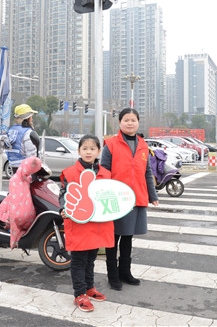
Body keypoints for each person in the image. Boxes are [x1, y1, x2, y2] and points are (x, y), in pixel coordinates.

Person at [100, 108, 159, 290]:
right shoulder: (110, 144)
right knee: (113, 237)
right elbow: (104, 171)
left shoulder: (142, 144)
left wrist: (153, 195)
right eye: (126, 120)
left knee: (128, 237)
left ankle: (125, 272)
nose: (130, 123)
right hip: (116, 198)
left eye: (133, 120)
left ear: (138, 122)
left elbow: (147, 172)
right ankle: (113, 275)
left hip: (136, 198)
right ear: (119, 122)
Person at [59, 135, 113, 312]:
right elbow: (63, 195)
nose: (88, 151)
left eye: (92, 148)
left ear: (99, 151)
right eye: (85, 148)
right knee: (78, 260)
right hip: (78, 224)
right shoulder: (70, 173)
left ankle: (89, 288)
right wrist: (63, 208)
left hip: (97, 224)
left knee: (91, 258)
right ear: (79, 151)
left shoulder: (105, 173)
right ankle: (79, 293)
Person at [5, 104, 40, 169]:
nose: (32, 119)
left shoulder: (11, 130)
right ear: (28, 118)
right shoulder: (27, 132)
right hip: (25, 168)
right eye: (31, 117)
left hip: (12, 166)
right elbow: (31, 156)